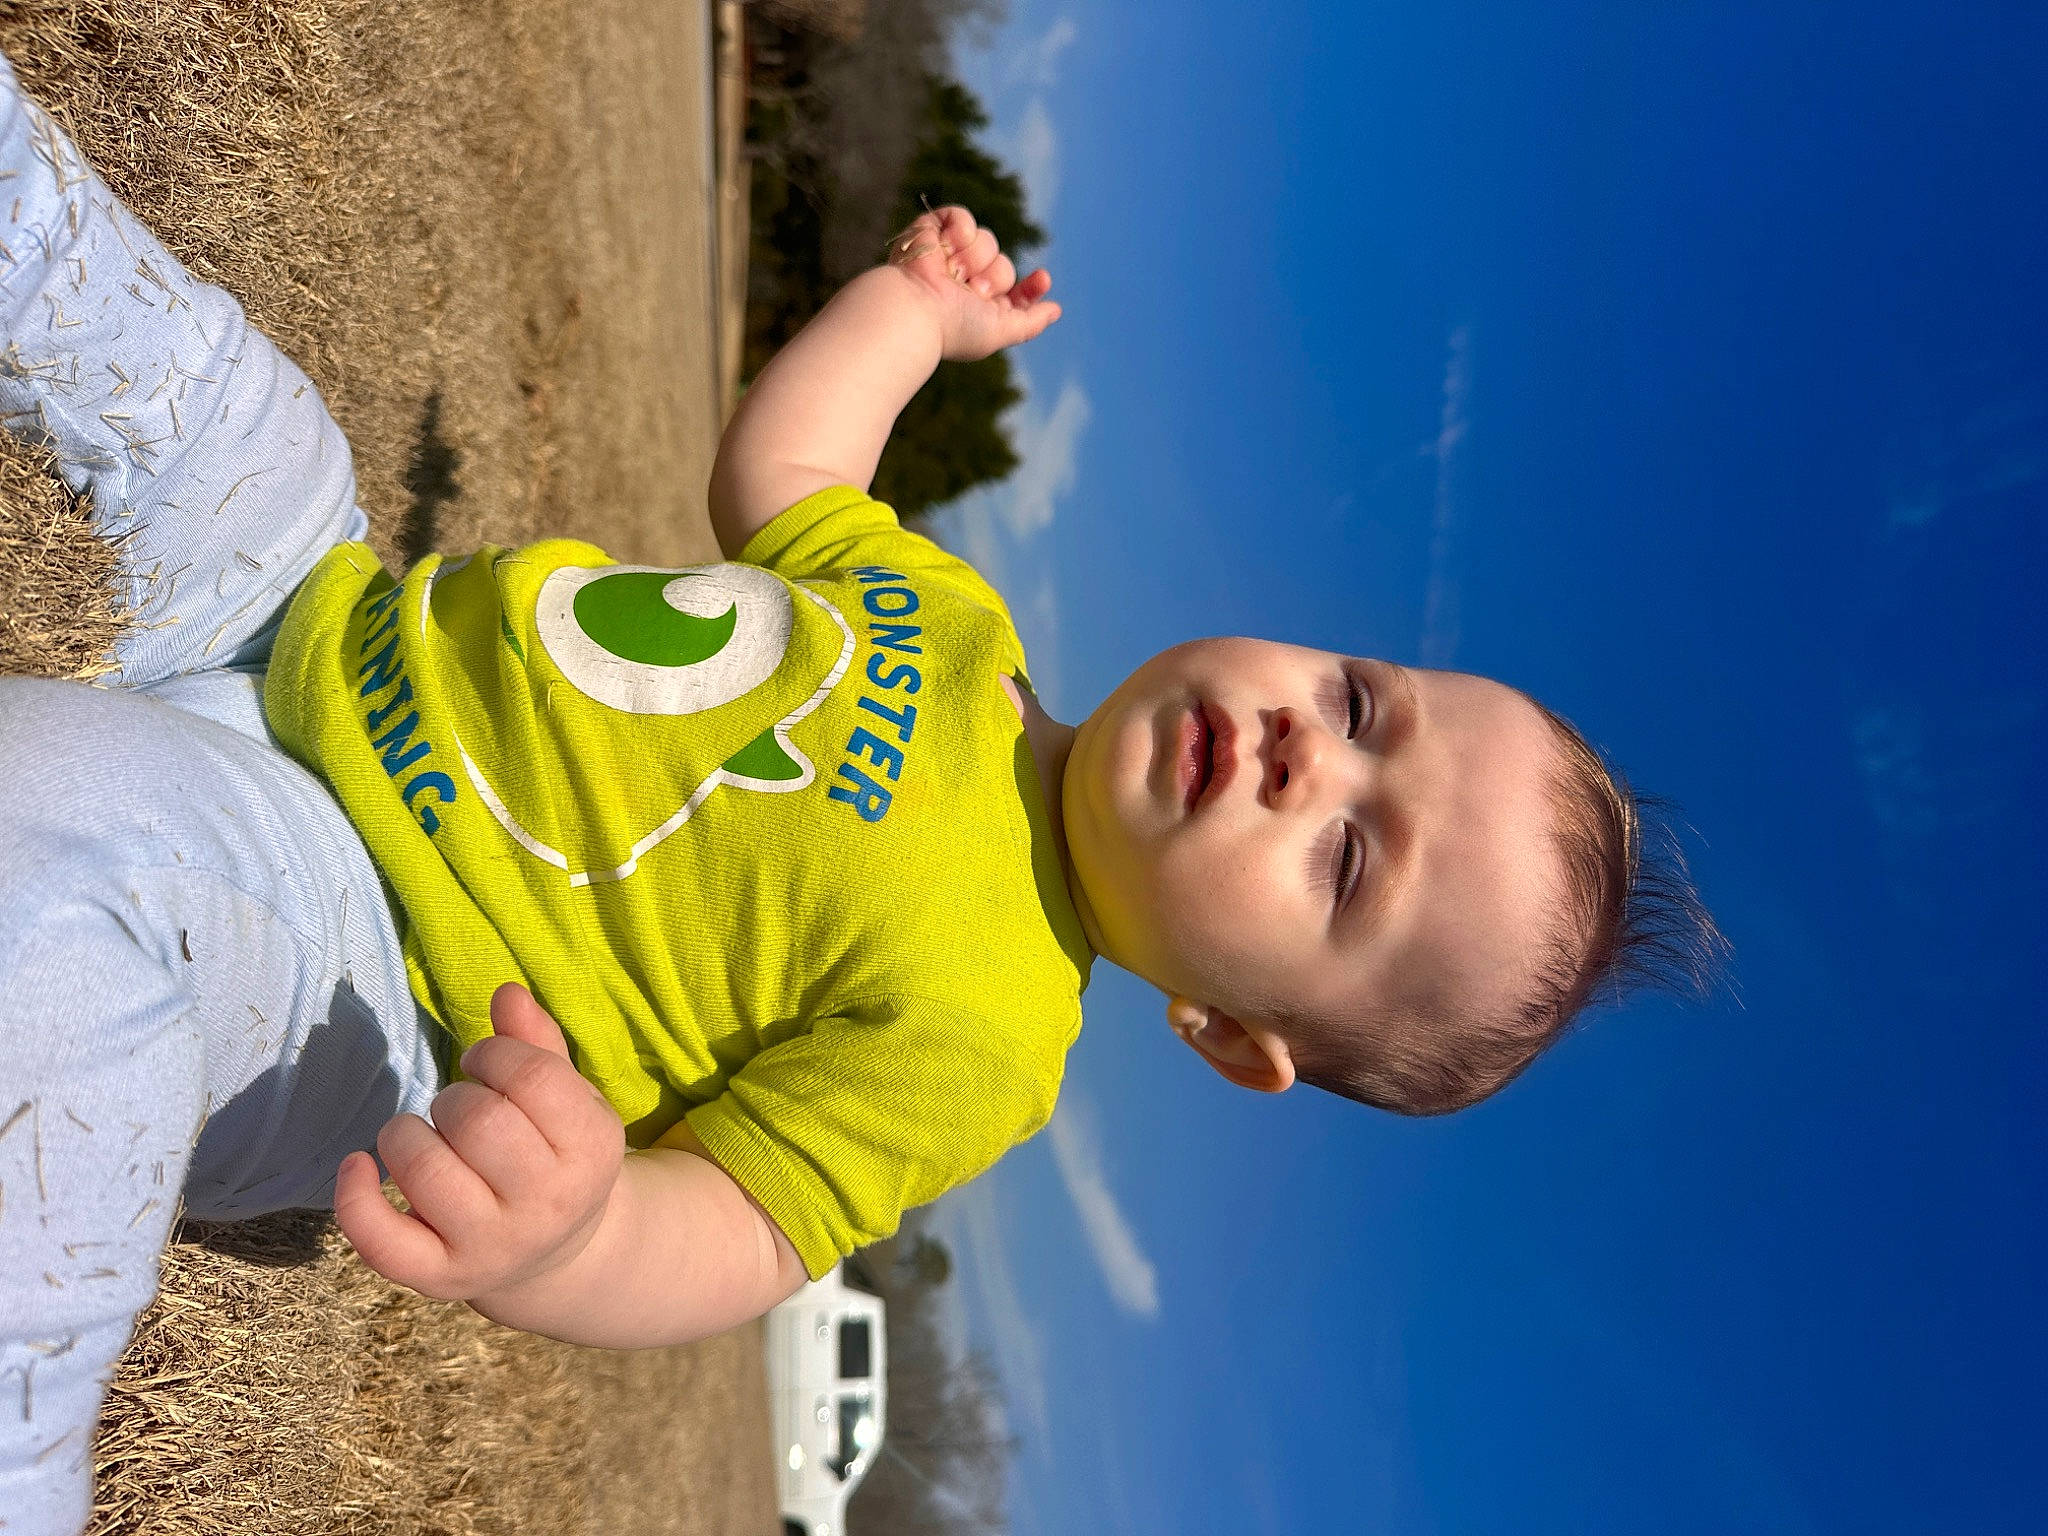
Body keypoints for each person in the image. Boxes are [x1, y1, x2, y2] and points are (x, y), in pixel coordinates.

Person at [0, 51, 1721, 1533]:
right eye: (1359, 704)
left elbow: (749, 1227)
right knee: (215, 391)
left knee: (69, 829)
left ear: (1224, 1032)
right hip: (322, 618)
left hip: (349, 940)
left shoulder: (989, 1035)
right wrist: (914, 315)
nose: (1305, 754)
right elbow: (786, 477)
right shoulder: (968, 631)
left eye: (1349, 862)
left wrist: (571, 1234)